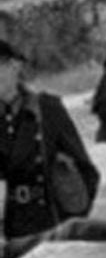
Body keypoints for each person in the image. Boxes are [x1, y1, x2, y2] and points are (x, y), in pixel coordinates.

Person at [0, 40, 99, 241]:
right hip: (9, 228)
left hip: (51, 221)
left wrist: (72, 220)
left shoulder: (47, 108)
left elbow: (86, 170)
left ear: (15, 66)